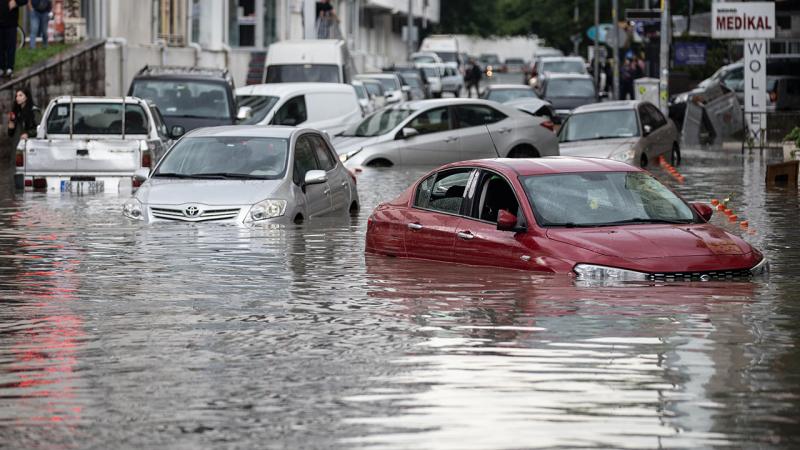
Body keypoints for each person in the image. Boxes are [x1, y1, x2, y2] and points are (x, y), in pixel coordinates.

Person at [0, 0, 27, 78]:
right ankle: (1, 68)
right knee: (0, 47)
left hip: (11, 22)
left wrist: (16, 2)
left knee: (10, 47)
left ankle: (10, 68)